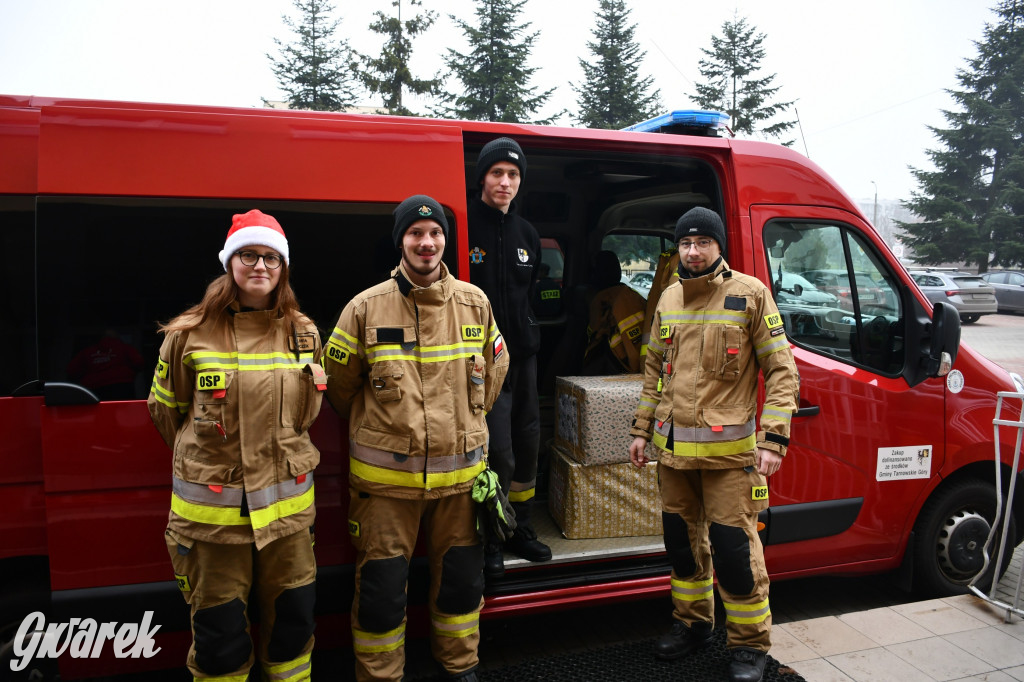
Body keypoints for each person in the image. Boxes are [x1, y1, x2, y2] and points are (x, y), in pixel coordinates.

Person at [324, 195, 509, 682]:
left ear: (445, 240)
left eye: (435, 233)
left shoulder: (475, 303)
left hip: (461, 483)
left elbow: (495, 370)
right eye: (416, 234)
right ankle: (382, 675)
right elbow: (340, 386)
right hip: (386, 489)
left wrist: (465, 426)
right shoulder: (364, 308)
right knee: (382, 593)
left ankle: (460, 666)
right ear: (401, 241)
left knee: (461, 587)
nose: (427, 243)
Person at [148, 209, 325, 681]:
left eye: (271, 257)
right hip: (213, 527)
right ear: (230, 262)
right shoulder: (188, 334)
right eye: (249, 254)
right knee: (220, 641)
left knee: (293, 628)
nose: (260, 266)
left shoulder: (303, 332)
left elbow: (306, 416)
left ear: (283, 267)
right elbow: (167, 414)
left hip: (287, 522)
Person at [627, 207, 799, 682]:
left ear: (719, 246)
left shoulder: (750, 294)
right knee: (683, 549)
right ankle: (693, 626)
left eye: (703, 242)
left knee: (733, 553)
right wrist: (641, 431)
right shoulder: (667, 298)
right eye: (686, 243)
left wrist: (774, 439)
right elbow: (653, 373)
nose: (693, 251)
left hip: (730, 458)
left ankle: (749, 647)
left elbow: (782, 372)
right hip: (673, 454)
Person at [467, 136, 551, 578]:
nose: (505, 182)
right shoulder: (462, 227)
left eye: (513, 175)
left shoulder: (528, 235)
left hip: (524, 357)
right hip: (481, 363)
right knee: (496, 450)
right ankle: (491, 537)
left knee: (527, 443)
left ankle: (521, 527)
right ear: (482, 176)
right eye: (497, 173)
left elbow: (529, 292)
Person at [582, 250, 647, 374]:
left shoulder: (600, 300)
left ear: (596, 274)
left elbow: (594, 334)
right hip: (631, 362)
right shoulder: (631, 295)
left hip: (616, 361)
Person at [67, 328, 144, 400]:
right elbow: (139, 362)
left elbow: (72, 370)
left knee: (99, 413)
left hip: (94, 389)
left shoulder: (87, 352)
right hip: (122, 386)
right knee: (123, 411)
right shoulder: (124, 347)